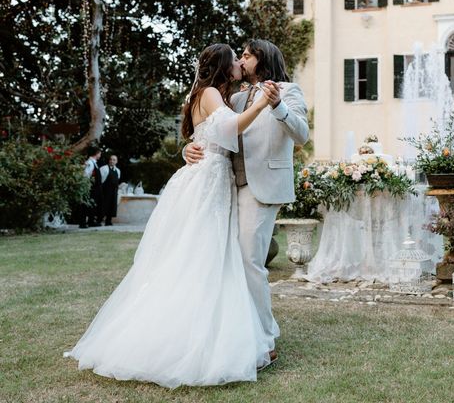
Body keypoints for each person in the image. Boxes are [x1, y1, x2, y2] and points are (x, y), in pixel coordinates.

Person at [65, 43, 273, 388]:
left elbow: (202, 135)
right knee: (201, 255)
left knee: (203, 254)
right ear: (223, 66)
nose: (239, 62)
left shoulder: (203, 96)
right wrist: (265, 103)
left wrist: (188, 148)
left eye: (242, 57)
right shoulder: (208, 93)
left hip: (207, 176)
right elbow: (230, 128)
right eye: (234, 58)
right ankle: (186, 339)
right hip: (209, 179)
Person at [184, 39, 309, 365]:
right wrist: (188, 151)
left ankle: (265, 339)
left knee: (250, 262)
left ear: (262, 58)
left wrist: (278, 105)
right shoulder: (235, 98)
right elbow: (210, 132)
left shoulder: (289, 90)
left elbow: (303, 134)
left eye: (246, 55)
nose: (240, 60)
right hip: (227, 188)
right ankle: (240, 332)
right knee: (230, 261)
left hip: (263, 187)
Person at [79, 147, 102, 228]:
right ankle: (82, 223)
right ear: (96, 153)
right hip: (90, 188)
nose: (100, 155)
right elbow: (86, 175)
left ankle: (91, 221)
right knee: (85, 205)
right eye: (99, 153)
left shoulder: (94, 162)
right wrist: (87, 187)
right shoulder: (90, 163)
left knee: (92, 205)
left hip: (94, 188)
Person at [100, 155, 121, 226]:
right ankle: (99, 220)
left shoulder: (118, 171)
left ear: (116, 161)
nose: (112, 161)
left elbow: (117, 180)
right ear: (109, 160)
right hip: (105, 191)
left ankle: (108, 220)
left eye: (114, 160)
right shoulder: (104, 168)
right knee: (103, 205)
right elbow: (101, 180)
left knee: (112, 206)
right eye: (111, 159)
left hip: (114, 191)